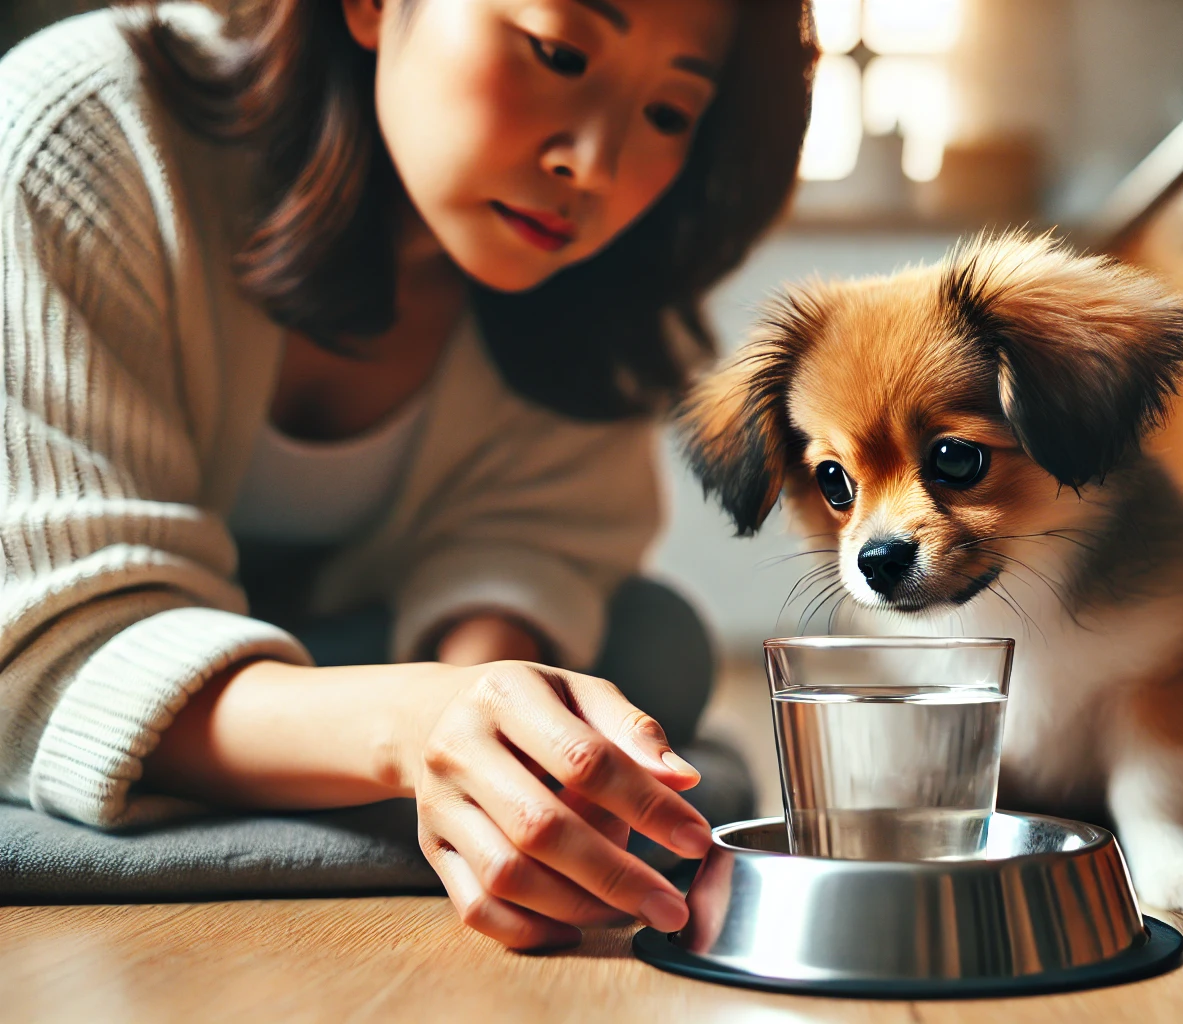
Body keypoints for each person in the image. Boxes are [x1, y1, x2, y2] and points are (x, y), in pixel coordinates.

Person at [0, 0, 813, 949]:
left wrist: (488, 716)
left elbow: (526, 542)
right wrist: (411, 723)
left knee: (650, 640)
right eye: (558, 52)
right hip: (99, 636)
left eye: (670, 114)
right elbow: (45, 632)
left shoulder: (599, 290)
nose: (593, 165)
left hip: (333, 646)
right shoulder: (92, 136)